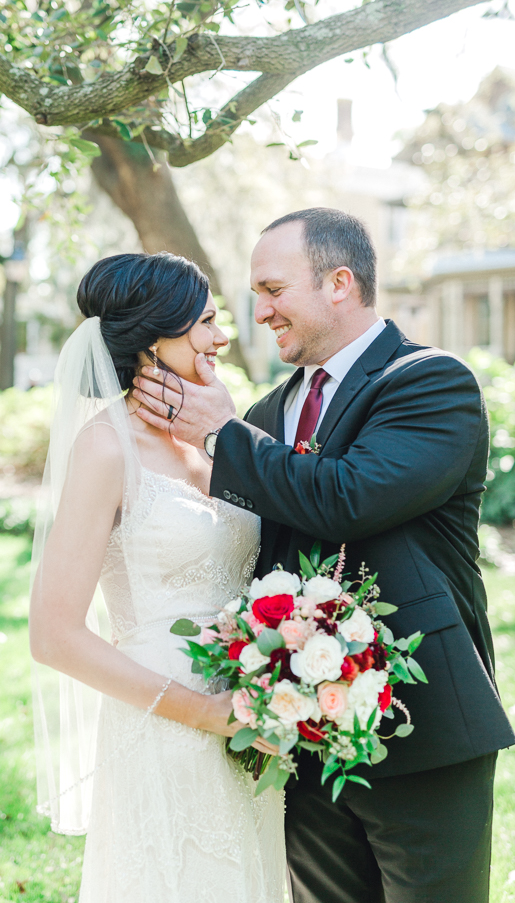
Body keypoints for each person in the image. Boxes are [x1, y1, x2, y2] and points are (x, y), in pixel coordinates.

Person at [133, 207, 515, 903]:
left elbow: (349, 497)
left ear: (339, 282)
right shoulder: (262, 416)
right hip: (297, 734)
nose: (260, 313)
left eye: (272, 290)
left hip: (420, 724)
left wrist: (221, 435)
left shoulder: (430, 383)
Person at [28, 252, 285, 903]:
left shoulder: (219, 434)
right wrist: (204, 712)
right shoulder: (104, 446)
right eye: (203, 321)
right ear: (152, 336)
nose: (221, 336)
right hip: (164, 722)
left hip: (251, 719)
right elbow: (53, 634)